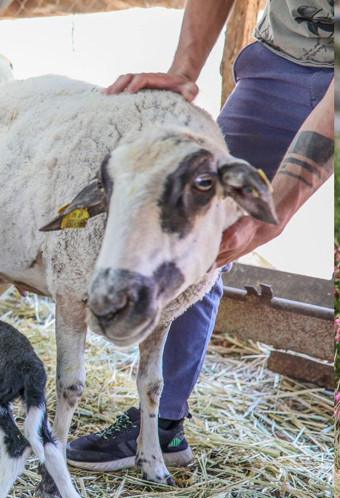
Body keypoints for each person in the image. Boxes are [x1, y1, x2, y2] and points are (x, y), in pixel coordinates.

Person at [66, 0, 334, 472]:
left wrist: (280, 208)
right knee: (208, 229)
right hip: (282, 62)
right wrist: (183, 71)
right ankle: (164, 425)